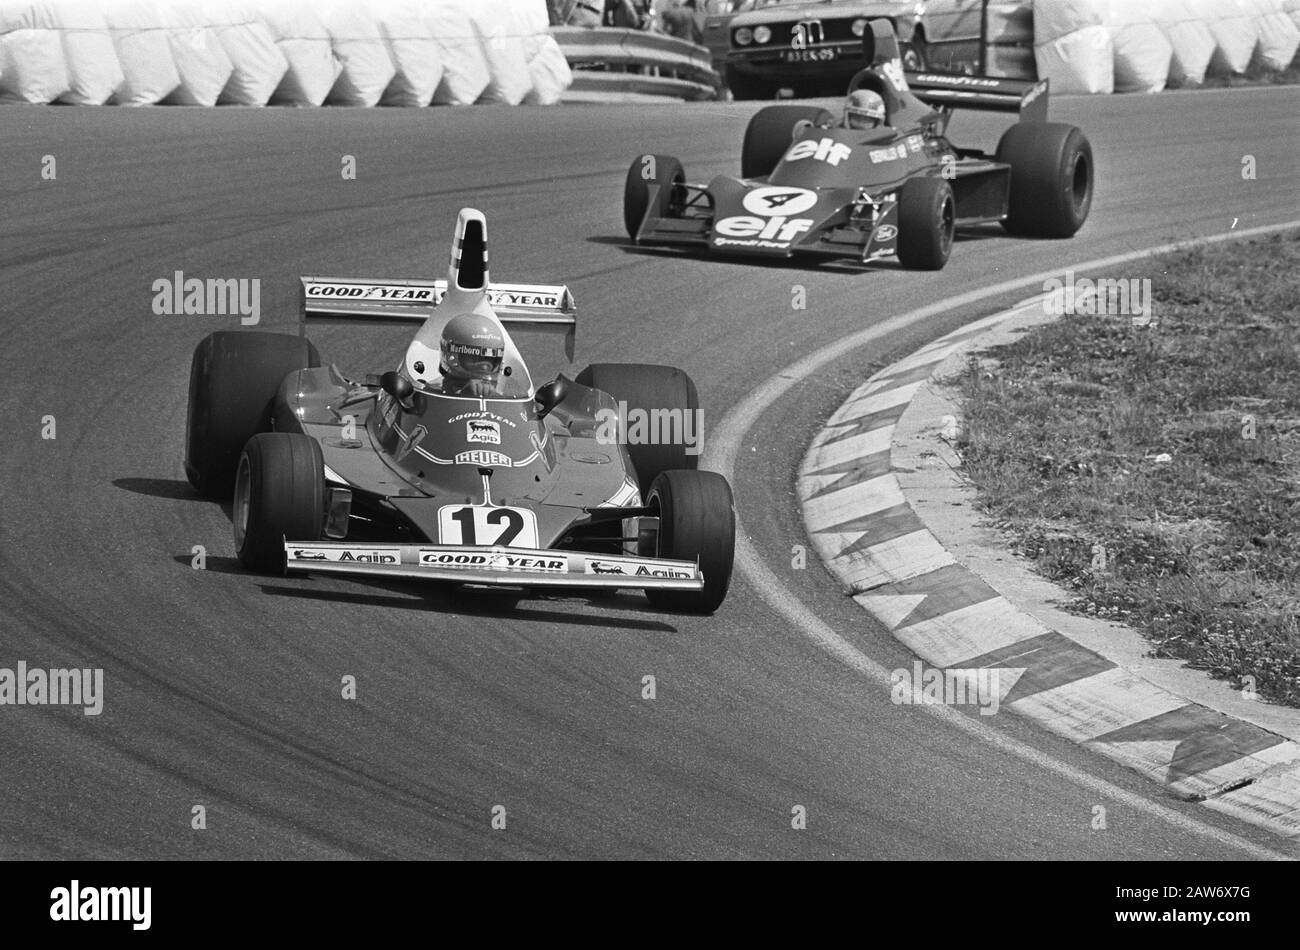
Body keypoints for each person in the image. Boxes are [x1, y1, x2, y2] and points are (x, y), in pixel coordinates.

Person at [438, 313, 506, 398]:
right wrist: (464, 395)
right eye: (475, 359)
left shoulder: (505, 398)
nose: (484, 367)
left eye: (490, 360)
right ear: (452, 357)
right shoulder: (429, 394)